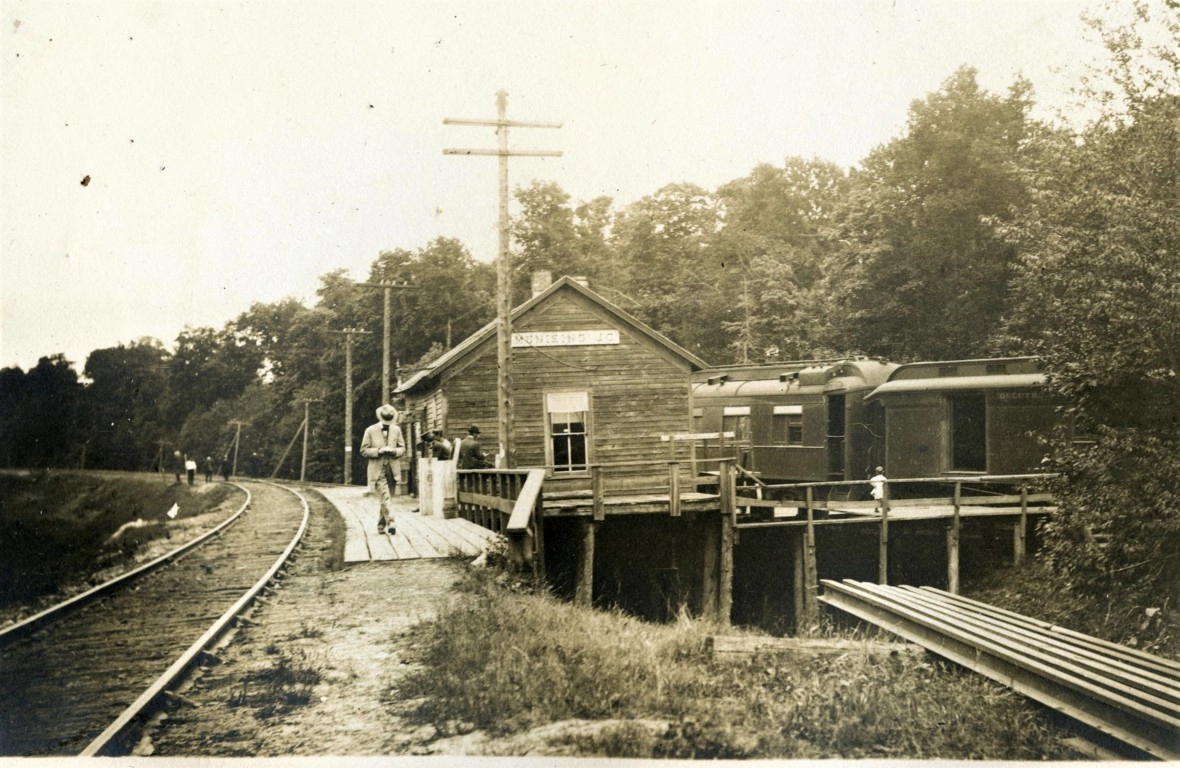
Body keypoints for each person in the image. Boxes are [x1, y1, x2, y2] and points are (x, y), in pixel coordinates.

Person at [360, 404, 405, 535]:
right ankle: (391, 521)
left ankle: (381, 526)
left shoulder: (396, 430)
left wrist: (394, 451)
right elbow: (363, 450)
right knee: (385, 496)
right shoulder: (370, 430)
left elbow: (402, 448)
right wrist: (379, 451)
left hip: (393, 469)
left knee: (387, 498)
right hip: (377, 469)